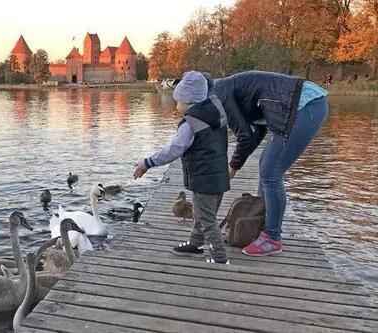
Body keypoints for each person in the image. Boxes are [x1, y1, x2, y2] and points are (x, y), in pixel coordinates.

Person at [213, 70, 329, 256]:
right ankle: (261, 223)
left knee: (271, 173)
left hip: (304, 105)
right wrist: (235, 166)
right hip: (297, 105)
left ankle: (272, 238)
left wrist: (232, 168)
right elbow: (255, 133)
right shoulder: (223, 89)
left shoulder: (219, 93)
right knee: (265, 166)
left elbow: (243, 136)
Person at [133, 71, 230, 264]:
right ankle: (195, 244)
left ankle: (220, 258)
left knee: (208, 220)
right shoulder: (215, 112)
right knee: (202, 214)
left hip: (204, 177)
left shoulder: (191, 123)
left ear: (189, 101)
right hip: (218, 175)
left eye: (178, 101)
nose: (176, 106)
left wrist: (147, 163)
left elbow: (174, 149)